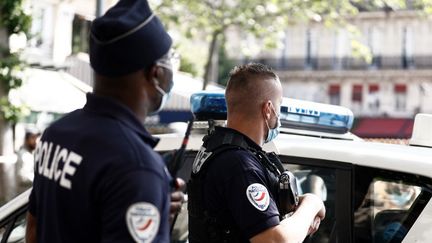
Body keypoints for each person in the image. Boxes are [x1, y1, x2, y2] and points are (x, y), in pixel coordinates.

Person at [25, 0, 184, 242]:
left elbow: (34, 229)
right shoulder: (136, 165)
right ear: (156, 72)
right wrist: (144, 188)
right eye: (170, 60)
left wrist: (153, 198)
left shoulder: (56, 134)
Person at [188, 63, 326, 243]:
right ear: (268, 109)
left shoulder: (218, 149)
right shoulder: (240, 166)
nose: (279, 116)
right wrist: (312, 203)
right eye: (279, 106)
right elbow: (274, 241)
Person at [15, 127, 40, 193]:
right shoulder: (23, 154)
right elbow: (23, 176)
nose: (35, 140)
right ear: (26, 139)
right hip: (24, 194)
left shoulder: (32, 152)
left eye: (36, 137)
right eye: (32, 137)